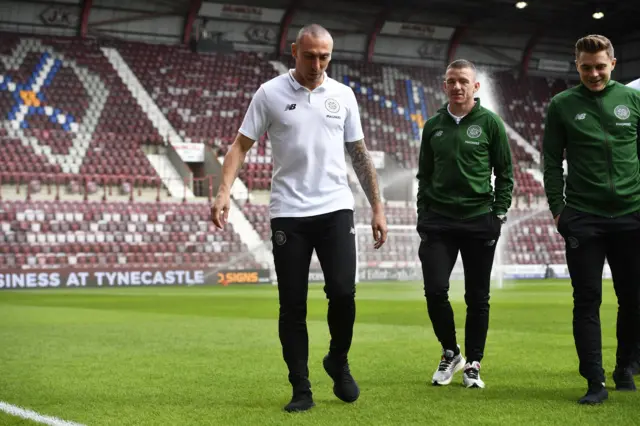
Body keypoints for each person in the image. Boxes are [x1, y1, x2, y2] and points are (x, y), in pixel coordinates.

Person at [211, 24, 388, 413]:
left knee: (343, 293)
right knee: (292, 305)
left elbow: (359, 153)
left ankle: (337, 360)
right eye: (310, 55)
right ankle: (301, 387)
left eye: (325, 56)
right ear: (295, 51)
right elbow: (240, 145)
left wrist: (377, 206)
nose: (317, 63)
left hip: (336, 208)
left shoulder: (343, 95)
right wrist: (224, 191)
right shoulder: (270, 93)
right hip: (289, 213)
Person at [543, 34, 640, 405]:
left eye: (600, 66)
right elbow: (550, 160)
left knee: (632, 300)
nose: (594, 74)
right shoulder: (562, 105)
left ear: (613, 64)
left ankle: (625, 367)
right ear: (577, 65)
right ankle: (595, 381)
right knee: (587, 300)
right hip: (584, 217)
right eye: (586, 67)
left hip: (632, 215)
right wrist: (558, 208)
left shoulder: (632, 100)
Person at [416, 59, 514, 389]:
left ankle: (473, 362)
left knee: (478, 297)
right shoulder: (433, 126)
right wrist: (423, 217)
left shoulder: (491, 123)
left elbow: (505, 175)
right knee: (434, 291)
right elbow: (424, 176)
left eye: (463, 81)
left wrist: (498, 215)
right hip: (439, 222)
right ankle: (450, 351)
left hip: (478, 220)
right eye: (451, 81)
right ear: (444, 85)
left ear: (475, 86)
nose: (457, 86)